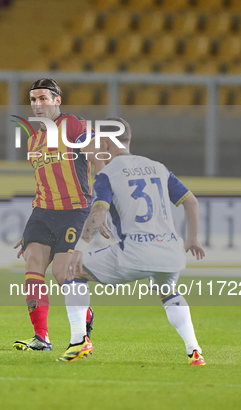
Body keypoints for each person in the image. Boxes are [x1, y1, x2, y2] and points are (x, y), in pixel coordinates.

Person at [57, 117, 206, 365]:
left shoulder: (108, 174)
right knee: (167, 293)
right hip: (170, 251)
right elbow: (190, 201)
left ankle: (78, 340)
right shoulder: (157, 166)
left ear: (105, 141)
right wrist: (192, 239)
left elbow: (98, 211)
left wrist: (80, 248)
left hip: (134, 252)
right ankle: (194, 350)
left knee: (71, 272)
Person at [12, 78, 104, 351]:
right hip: (42, 213)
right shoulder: (33, 140)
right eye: (33, 99)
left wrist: (102, 205)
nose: (37, 104)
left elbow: (98, 160)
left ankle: (83, 325)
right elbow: (43, 181)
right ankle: (42, 338)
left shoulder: (74, 125)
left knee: (64, 274)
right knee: (32, 269)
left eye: (43, 98)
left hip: (75, 211)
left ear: (57, 100)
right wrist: (30, 227)